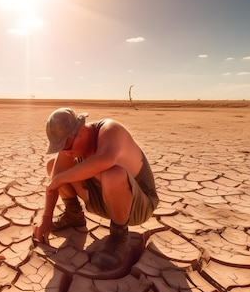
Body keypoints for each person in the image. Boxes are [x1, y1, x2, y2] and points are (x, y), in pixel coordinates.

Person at [32, 107, 159, 269]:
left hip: (138, 206)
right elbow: (53, 184)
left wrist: (60, 179)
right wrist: (46, 218)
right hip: (104, 201)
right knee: (53, 166)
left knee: (113, 174)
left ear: (82, 132)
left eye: (68, 146)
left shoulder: (110, 129)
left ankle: (119, 236)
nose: (67, 152)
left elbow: (106, 159)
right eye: (62, 148)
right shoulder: (70, 145)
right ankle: (73, 215)